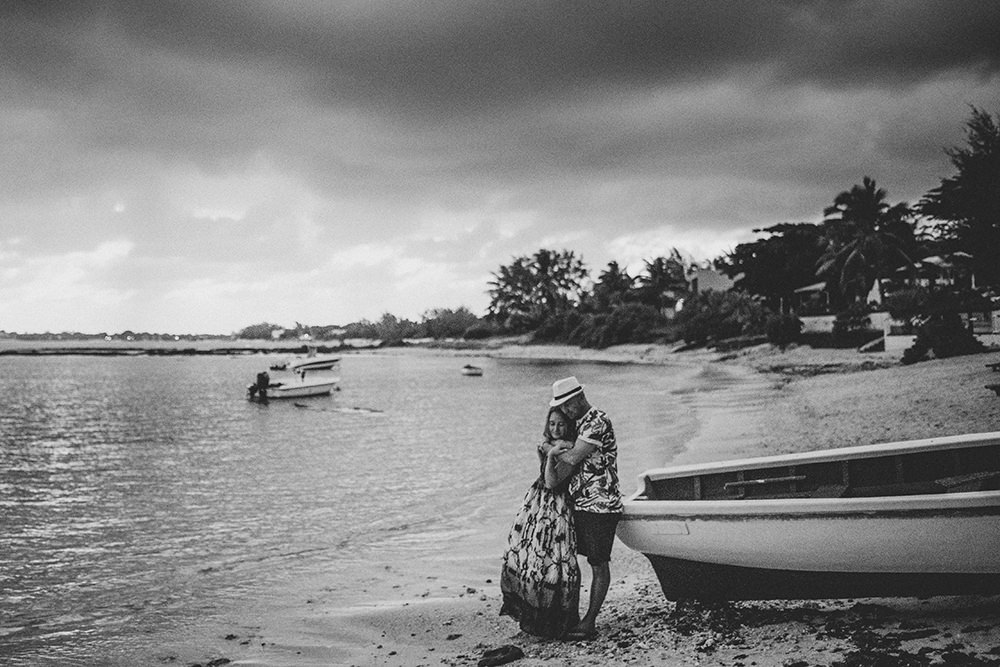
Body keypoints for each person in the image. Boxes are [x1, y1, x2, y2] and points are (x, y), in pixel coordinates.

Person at [542, 376, 623, 641]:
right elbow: (563, 469)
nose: (565, 412)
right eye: (561, 408)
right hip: (580, 504)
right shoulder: (579, 425)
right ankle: (571, 616)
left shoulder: (598, 421)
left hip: (601, 504)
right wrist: (555, 449)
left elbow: (575, 456)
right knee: (576, 561)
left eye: (567, 406)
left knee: (598, 563)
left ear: (578, 398)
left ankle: (589, 622)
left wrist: (550, 449)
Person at [498, 407, 581, 638]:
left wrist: (552, 454)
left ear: (569, 426)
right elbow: (542, 473)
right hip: (537, 504)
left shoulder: (568, 449)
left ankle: (558, 622)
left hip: (556, 508)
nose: (556, 428)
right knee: (532, 558)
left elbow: (553, 482)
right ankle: (535, 617)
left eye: (561, 424)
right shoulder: (550, 444)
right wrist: (546, 452)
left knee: (556, 562)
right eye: (552, 423)